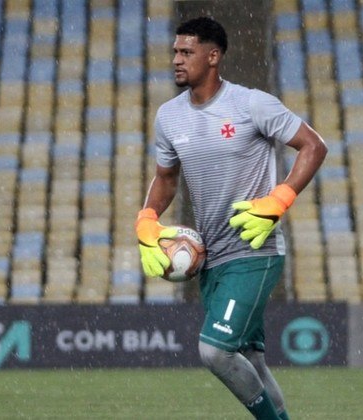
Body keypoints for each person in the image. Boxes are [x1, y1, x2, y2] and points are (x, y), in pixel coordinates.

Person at [135, 16, 327, 420]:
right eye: (175, 51)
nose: (177, 59)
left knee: (216, 351)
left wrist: (280, 199)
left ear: (213, 56)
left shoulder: (251, 103)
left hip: (255, 252)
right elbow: (166, 178)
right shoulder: (169, 117)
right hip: (212, 259)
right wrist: (147, 219)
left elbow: (314, 145)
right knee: (250, 362)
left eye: (187, 52)